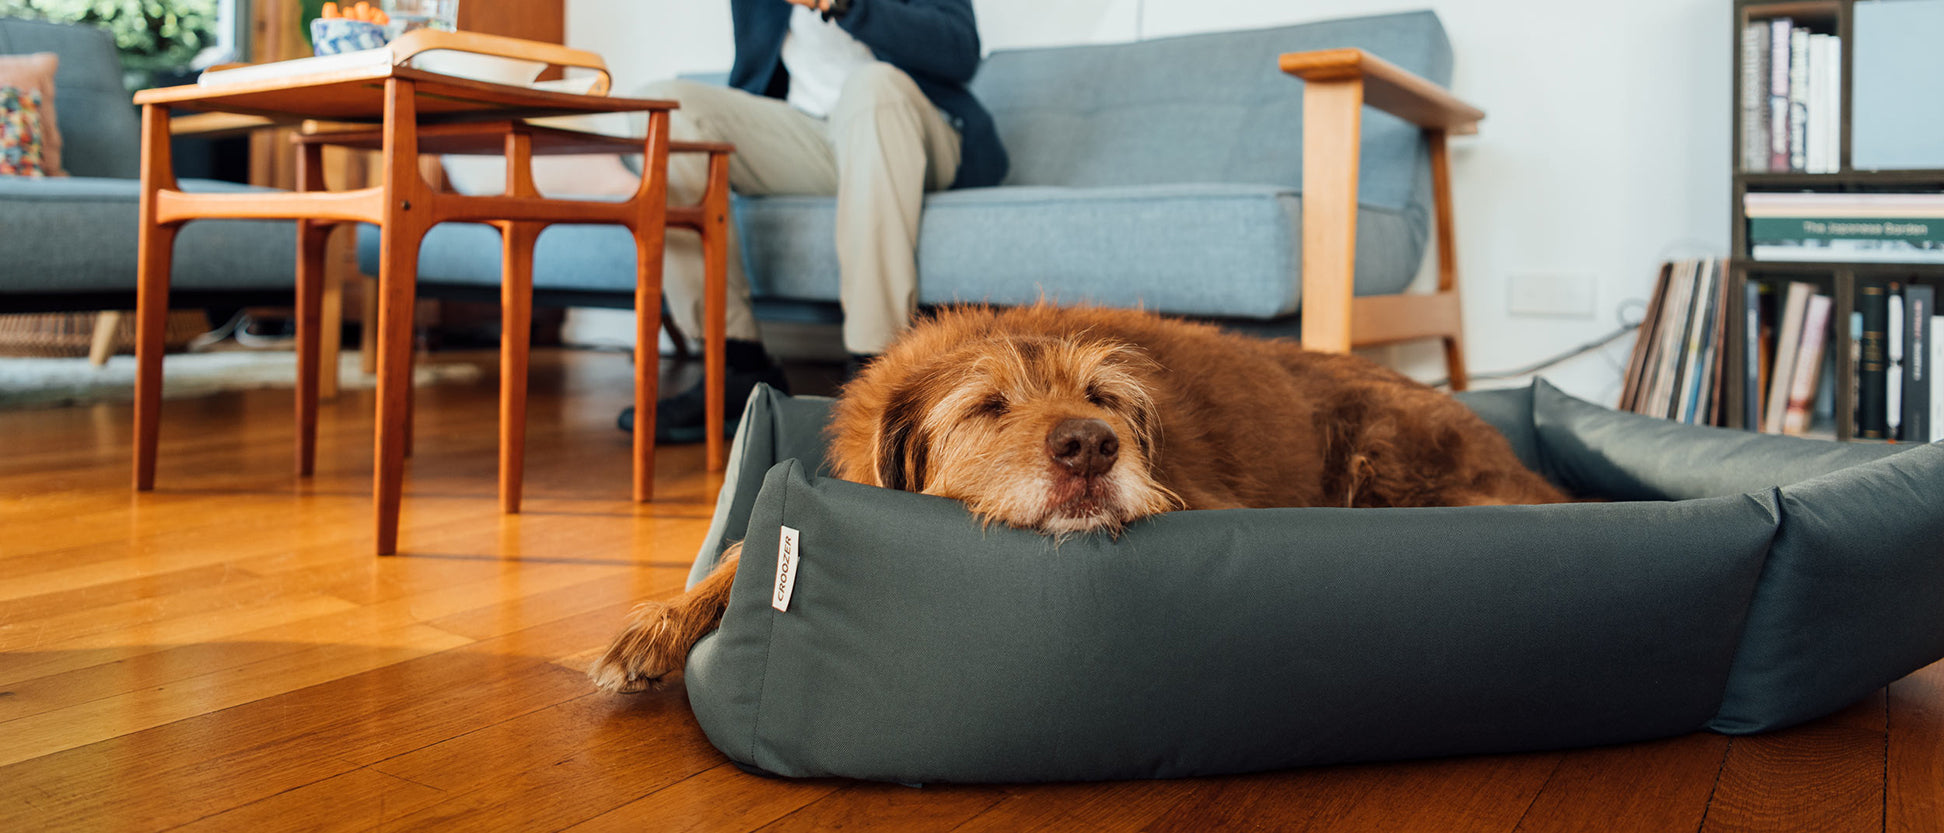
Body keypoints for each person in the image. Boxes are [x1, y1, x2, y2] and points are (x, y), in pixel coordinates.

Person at [620, 0, 1009, 442]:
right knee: (666, 109)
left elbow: (959, 53)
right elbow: (754, 71)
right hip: (813, 136)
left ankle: (876, 370)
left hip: (915, 126)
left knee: (872, 87)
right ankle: (735, 365)